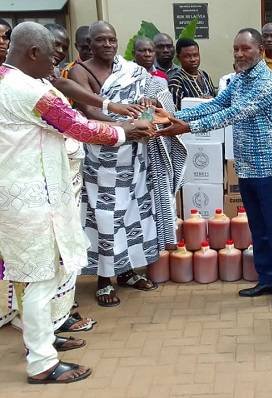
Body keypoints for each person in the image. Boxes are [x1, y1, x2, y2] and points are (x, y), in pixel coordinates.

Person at [0, 21, 152, 384]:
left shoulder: (13, 76)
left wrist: (112, 106)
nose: (55, 67)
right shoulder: (28, 90)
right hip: (31, 201)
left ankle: (44, 339)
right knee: (38, 279)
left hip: (27, 196)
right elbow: (78, 126)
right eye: (50, 58)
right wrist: (125, 131)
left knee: (41, 275)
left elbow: (61, 89)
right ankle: (41, 363)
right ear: (33, 53)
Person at [155, 28, 272, 309]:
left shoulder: (267, 83)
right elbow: (217, 103)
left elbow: (233, 113)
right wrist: (173, 115)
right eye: (236, 49)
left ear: (259, 51)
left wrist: (188, 127)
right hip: (246, 167)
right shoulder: (239, 79)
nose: (240, 54)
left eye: (246, 49)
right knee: (258, 228)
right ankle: (267, 278)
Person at [68, 21, 186, 307]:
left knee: (135, 215)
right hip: (101, 160)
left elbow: (148, 99)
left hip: (135, 156)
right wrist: (126, 125)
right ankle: (103, 281)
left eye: (112, 39)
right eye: (101, 40)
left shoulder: (130, 70)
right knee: (106, 218)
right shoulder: (79, 71)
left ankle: (128, 272)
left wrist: (146, 110)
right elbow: (88, 110)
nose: (108, 45)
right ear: (89, 44)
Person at [168, 38, 216, 110]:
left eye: (196, 55)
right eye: (187, 56)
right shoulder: (175, 82)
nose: (193, 59)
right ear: (178, 58)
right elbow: (176, 112)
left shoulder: (205, 75)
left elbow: (216, 99)